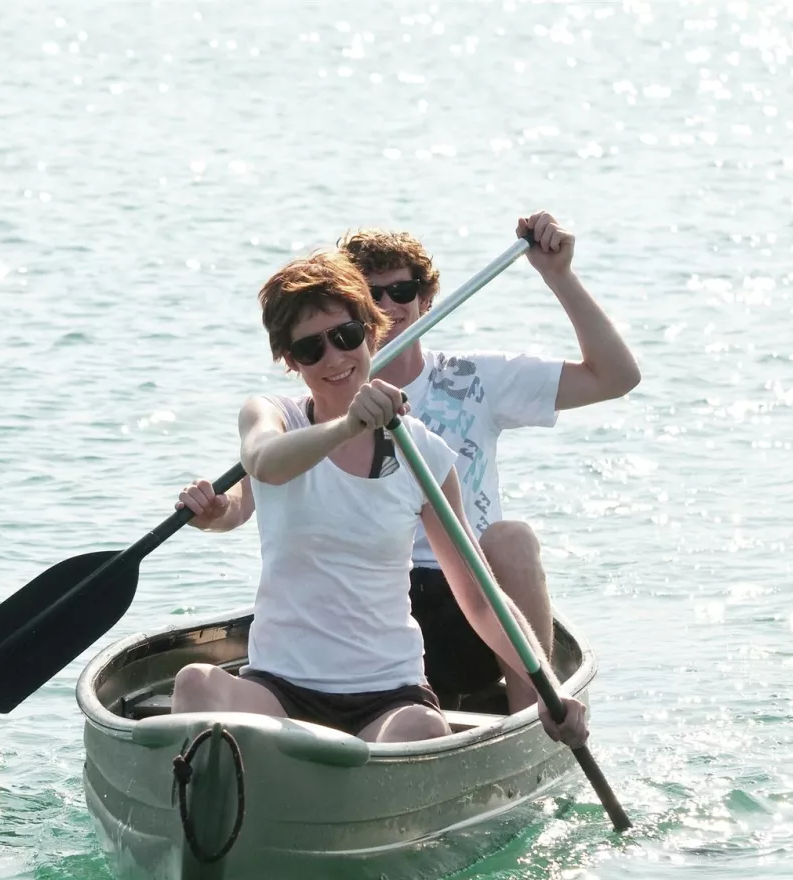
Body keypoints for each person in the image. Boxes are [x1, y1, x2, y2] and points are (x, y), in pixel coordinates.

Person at [171, 249, 586, 747]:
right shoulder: (274, 414)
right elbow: (262, 461)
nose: (334, 358)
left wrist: (547, 687)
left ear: (371, 332)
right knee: (194, 683)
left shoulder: (426, 454)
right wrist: (348, 424)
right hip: (279, 688)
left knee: (422, 729)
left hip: (386, 694)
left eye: (346, 337)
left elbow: (478, 599)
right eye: (310, 349)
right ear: (289, 361)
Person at [337, 212, 640, 712]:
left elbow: (616, 376)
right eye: (371, 296)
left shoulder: (475, 377)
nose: (389, 306)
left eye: (402, 291)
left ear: (427, 300)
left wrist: (558, 276)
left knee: (511, 537)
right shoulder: (325, 400)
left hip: (473, 604)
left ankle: (536, 712)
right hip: (375, 605)